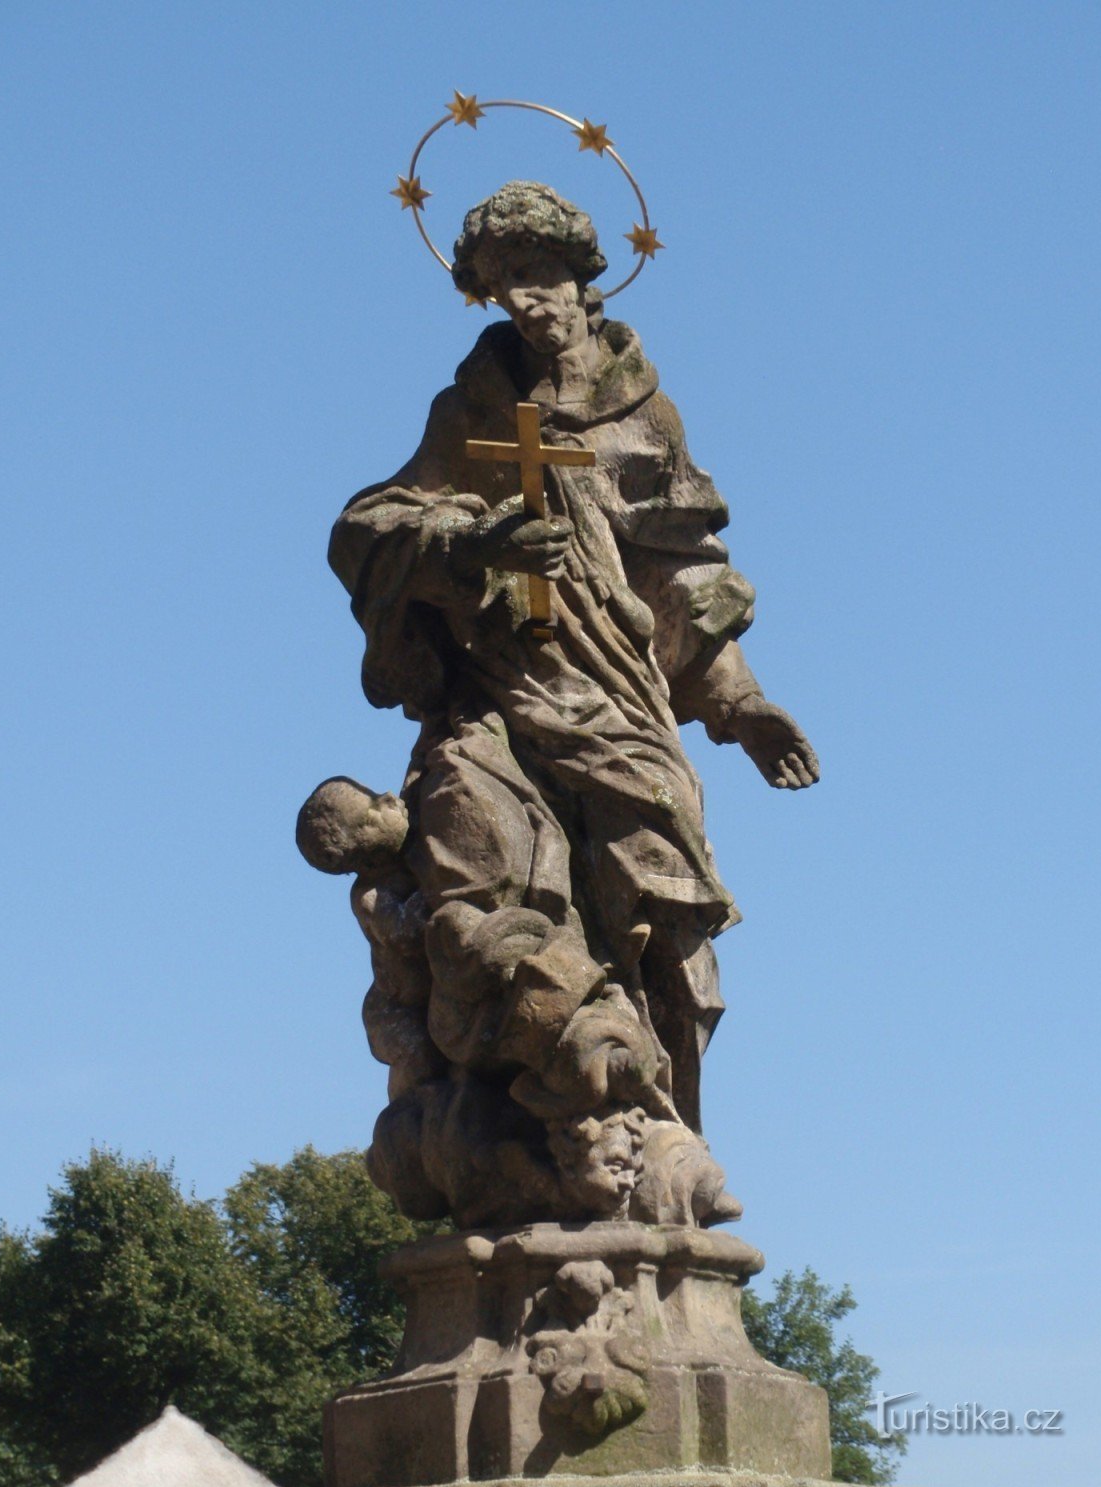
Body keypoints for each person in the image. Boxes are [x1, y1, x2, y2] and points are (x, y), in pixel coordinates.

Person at [321, 181, 818, 1228]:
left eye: (539, 272)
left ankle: (660, 1151)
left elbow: (685, 574)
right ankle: (554, 1127)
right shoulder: (472, 410)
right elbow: (369, 524)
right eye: (502, 283)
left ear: (584, 274)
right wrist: (470, 544)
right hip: (499, 699)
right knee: (492, 879)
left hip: (621, 702)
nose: (525, 298)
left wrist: (739, 703)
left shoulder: (646, 415)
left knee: (670, 930)